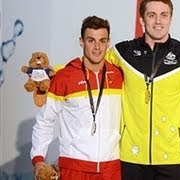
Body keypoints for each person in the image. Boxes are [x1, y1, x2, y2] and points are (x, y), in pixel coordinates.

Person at [105, 0, 180, 179]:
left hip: (172, 156)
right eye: (152, 15)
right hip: (132, 155)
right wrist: (52, 73)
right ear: (142, 19)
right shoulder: (123, 52)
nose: (158, 21)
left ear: (171, 18)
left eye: (164, 15)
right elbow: (91, 67)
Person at [30, 15, 123, 180]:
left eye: (102, 41)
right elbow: (45, 120)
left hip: (112, 170)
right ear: (81, 41)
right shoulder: (65, 77)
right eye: (91, 40)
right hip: (74, 169)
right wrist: (38, 158)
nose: (97, 47)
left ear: (108, 43)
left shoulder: (118, 75)